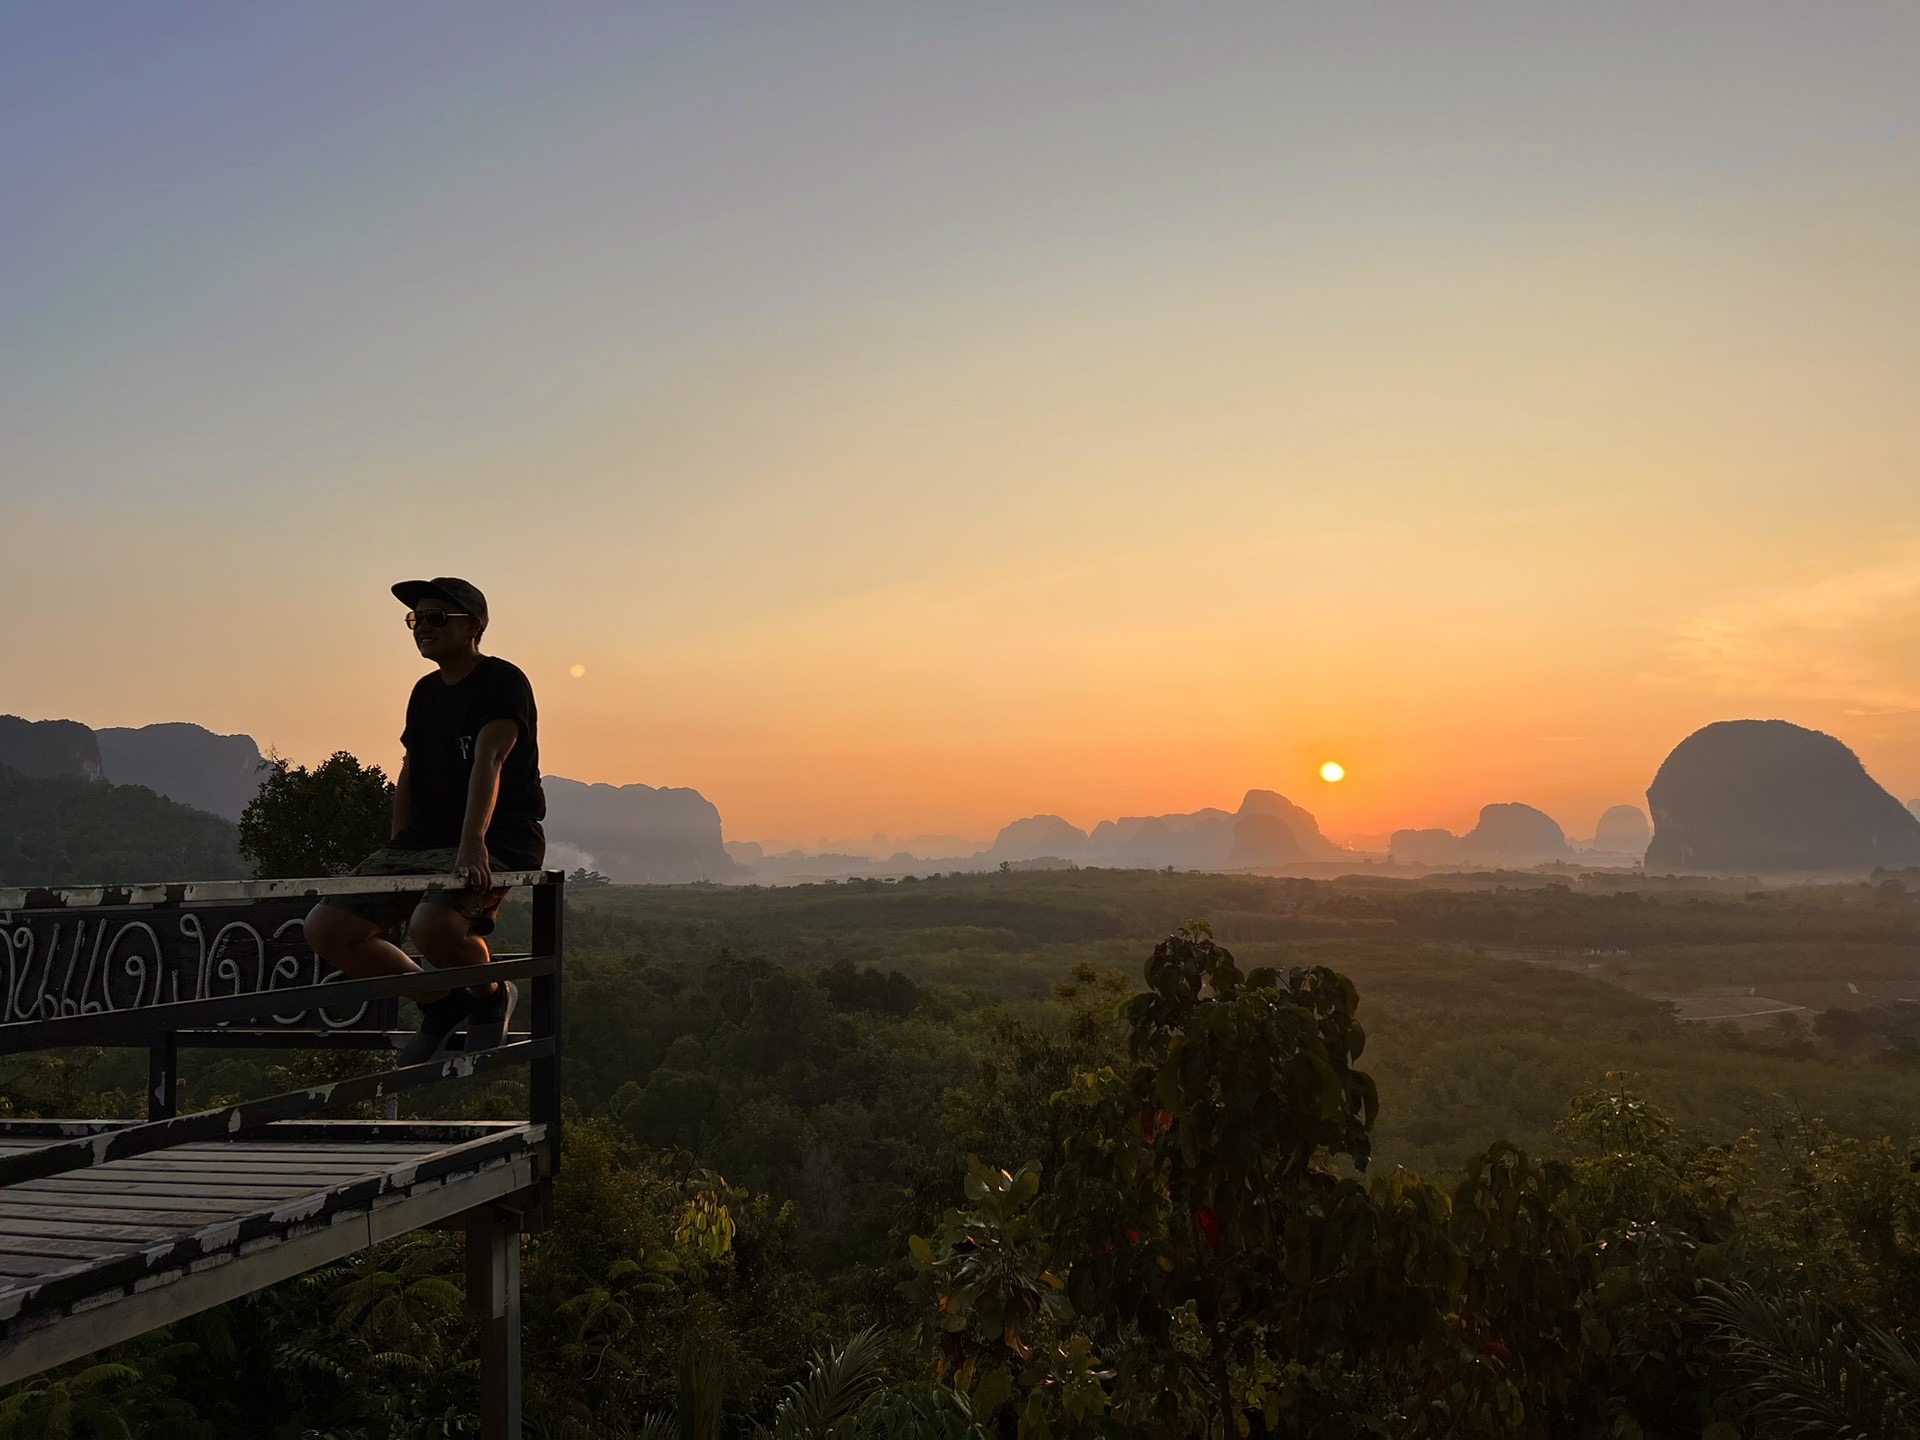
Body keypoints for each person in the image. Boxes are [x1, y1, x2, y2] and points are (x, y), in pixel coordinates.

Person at [304, 577, 547, 1065]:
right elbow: (410, 769)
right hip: (423, 840)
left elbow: (490, 760)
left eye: (437, 618)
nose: (421, 628)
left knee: (432, 926)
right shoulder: (424, 691)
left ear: (475, 626)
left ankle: (490, 994)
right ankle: (439, 1002)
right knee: (326, 928)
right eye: (415, 619)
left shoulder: (503, 681)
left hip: (497, 837)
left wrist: (472, 841)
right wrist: (397, 847)